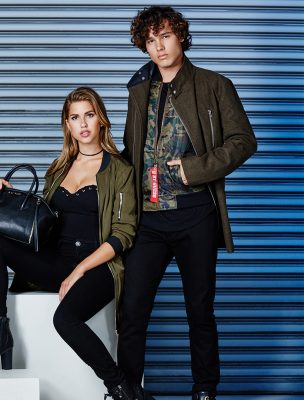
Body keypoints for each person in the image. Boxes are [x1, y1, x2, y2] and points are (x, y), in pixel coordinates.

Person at [0, 87, 139, 400]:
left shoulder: (119, 169)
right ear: (67, 124)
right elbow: (42, 223)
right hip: (56, 260)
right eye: (75, 117)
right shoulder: (58, 169)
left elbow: (123, 233)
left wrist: (79, 271)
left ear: (101, 119)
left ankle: (120, 387)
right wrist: (8, 196)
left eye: (89, 115)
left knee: (65, 319)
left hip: (98, 267)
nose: (83, 124)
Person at [117, 6, 257, 400]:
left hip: (196, 214)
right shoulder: (138, 88)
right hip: (148, 218)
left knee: (199, 310)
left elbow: (243, 141)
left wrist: (195, 169)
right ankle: (127, 389)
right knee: (132, 310)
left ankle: (205, 389)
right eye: (150, 40)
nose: (159, 47)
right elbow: (130, 151)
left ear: (180, 36)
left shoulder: (215, 84)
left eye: (165, 36)